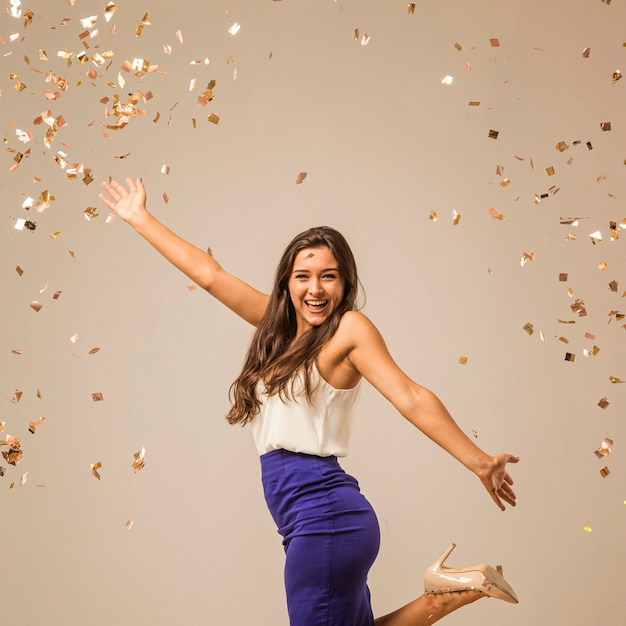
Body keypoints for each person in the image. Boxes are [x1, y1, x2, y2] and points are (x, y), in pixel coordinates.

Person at [99, 177, 520, 626]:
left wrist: (478, 461)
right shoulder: (276, 330)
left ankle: (443, 597)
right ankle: (440, 597)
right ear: (287, 282)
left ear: (346, 282)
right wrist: (140, 219)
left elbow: (411, 396)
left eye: (328, 276)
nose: (315, 289)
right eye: (303, 276)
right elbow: (211, 276)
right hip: (308, 521)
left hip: (326, 515)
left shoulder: (350, 331)